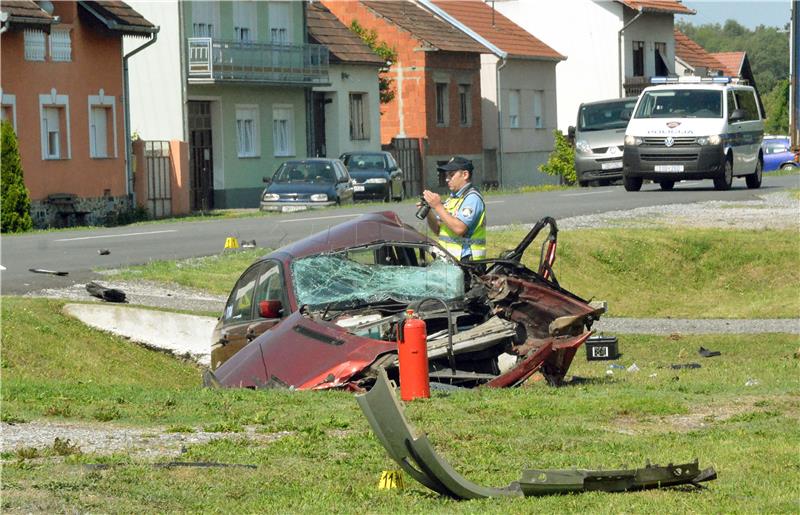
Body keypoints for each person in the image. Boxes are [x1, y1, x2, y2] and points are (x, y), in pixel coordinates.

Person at [419, 156, 486, 261]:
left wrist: (438, 206)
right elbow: (438, 230)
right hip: (450, 260)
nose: (447, 179)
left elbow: (459, 229)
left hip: (466, 261)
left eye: (451, 175)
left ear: (465, 175)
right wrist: (429, 211)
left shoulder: (472, 198)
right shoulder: (453, 199)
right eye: (446, 175)